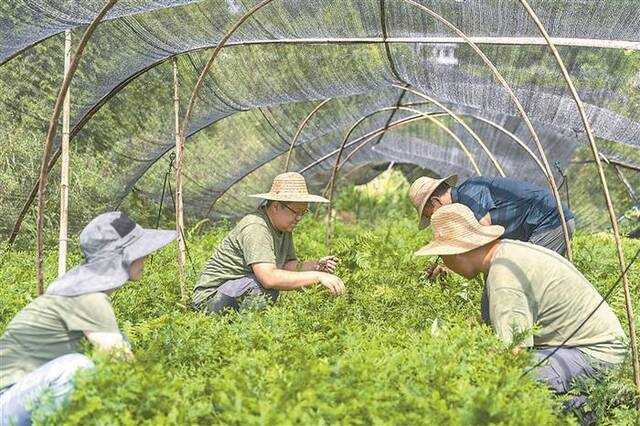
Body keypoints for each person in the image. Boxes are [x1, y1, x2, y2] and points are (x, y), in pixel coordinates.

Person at [414, 203, 627, 414]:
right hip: (585, 348)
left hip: (598, 358)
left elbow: (512, 356)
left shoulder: (504, 279)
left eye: (443, 255)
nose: (445, 264)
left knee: (505, 381)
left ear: (457, 253)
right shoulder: (507, 252)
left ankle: (584, 408)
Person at [0, 212, 176, 425]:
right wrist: (171, 411)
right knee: (76, 368)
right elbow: (125, 367)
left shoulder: (86, 291)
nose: (145, 257)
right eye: (141, 251)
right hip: (8, 404)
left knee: (118, 342)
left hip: (24, 395)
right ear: (123, 257)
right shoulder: (88, 297)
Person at [193, 172, 346, 314]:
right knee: (264, 288)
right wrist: (317, 277)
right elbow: (269, 278)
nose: (299, 218)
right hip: (210, 299)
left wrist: (316, 266)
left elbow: (285, 265)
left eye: (303, 212)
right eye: (296, 212)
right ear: (276, 206)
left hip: (233, 290)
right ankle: (240, 331)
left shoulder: (283, 227)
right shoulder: (256, 227)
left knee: (265, 285)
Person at [408, 175, 575, 255]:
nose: (437, 220)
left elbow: (485, 239)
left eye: (433, 216)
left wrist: (453, 262)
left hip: (550, 222)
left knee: (528, 278)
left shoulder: (470, 192)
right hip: (543, 225)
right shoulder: (466, 199)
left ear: (436, 202)